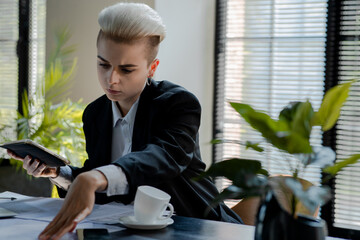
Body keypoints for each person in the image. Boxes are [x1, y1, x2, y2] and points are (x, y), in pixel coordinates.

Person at [7, 2, 243, 239]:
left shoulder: (179, 104)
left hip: (197, 227)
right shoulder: (95, 114)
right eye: (103, 64)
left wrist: (96, 178)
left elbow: (163, 158)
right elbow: (107, 188)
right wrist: (60, 173)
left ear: (152, 68)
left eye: (126, 69)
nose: (112, 79)